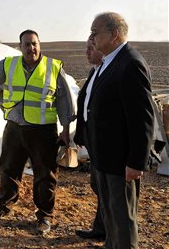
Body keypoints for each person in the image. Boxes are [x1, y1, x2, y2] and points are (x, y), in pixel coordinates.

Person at [0, 29, 75, 235]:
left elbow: (64, 100)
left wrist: (66, 130)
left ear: (40, 45)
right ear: (20, 47)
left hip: (43, 131)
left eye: (34, 44)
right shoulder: (8, 64)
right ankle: (3, 206)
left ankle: (44, 216)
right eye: (27, 45)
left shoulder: (53, 67)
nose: (31, 48)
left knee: (45, 174)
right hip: (14, 128)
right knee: (8, 169)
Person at [85, 12, 154, 249]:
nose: (91, 37)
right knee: (111, 217)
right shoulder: (109, 62)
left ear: (113, 34)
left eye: (95, 32)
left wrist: (136, 162)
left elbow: (142, 118)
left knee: (123, 220)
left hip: (120, 162)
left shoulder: (130, 63)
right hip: (104, 159)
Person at [73, 39, 106, 241]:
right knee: (98, 186)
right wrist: (81, 134)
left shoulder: (109, 72)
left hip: (106, 143)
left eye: (90, 48)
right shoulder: (95, 71)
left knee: (106, 189)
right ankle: (101, 228)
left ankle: (109, 232)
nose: (86, 52)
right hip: (94, 141)